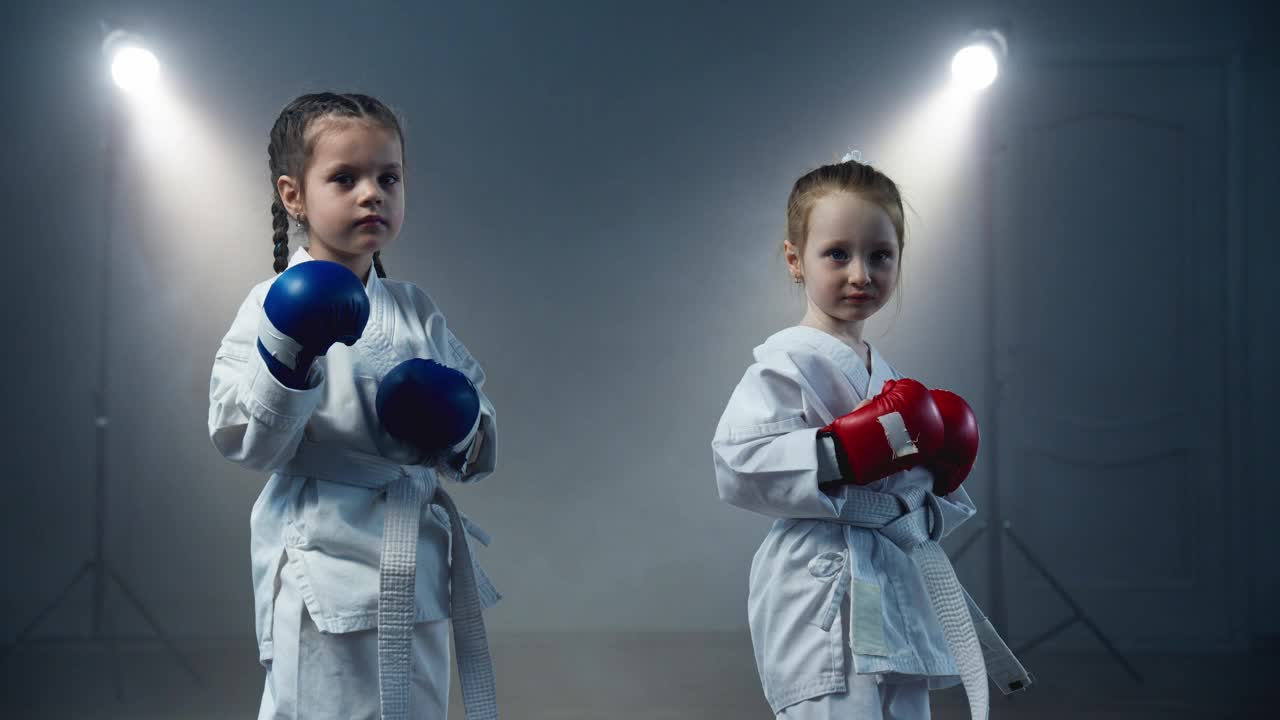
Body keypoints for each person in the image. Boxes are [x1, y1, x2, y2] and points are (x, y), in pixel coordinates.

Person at [208, 92, 501, 720]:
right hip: (324, 565)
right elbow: (243, 441)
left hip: (416, 560)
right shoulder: (271, 305)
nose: (372, 193)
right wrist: (289, 357)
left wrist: (460, 419)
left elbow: (475, 450)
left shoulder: (416, 309)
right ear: (293, 196)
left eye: (388, 177)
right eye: (345, 178)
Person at [712, 152, 1030, 719]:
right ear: (795, 260)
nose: (861, 273)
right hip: (821, 586)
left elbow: (901, 495)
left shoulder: (885, 376)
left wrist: (937, 481)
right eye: (837, 254)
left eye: (880, 255)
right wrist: (840, 451)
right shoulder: (783, 364)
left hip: (889, 578)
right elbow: (739, 465)